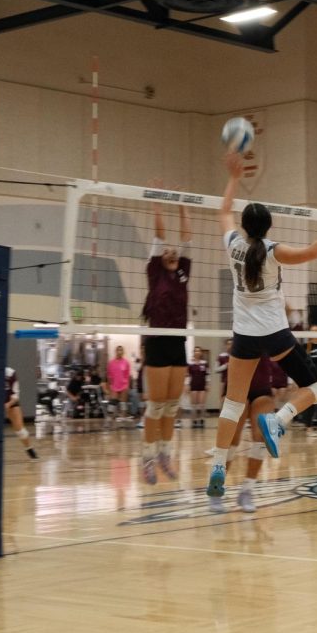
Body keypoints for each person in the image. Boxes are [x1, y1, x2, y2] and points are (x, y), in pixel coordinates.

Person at [207, 151, 317, 501]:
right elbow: (313, 252)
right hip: (274, 333)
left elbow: (223, 212)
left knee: (232, 404)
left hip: (244, 336)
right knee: (316, 388)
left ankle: (219, 467)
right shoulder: (273, 251)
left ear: (245, 226)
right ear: (268, 227)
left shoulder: (234, 246)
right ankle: (279, 419)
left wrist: (234, 177)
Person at [140, 202, 191, 484]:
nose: (171, 253)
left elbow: (187, 240)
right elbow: (160, 238)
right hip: (158, 340)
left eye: (174, 253)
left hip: (178, 342)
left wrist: (185, 208)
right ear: (160, 258)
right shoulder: (155, 273)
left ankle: (165, 454)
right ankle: (147, 458)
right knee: (156, 405)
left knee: (172, 405)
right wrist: (158, 208)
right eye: (167, 252)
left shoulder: (183, 273)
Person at [210, 355, 278, 514]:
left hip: (263, 387)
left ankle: (247, 490)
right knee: (231, 441)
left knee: (261, 439)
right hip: (238, 386)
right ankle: (215, 488)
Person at [4, 366, 38, 459]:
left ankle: (29, 449)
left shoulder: (10, 373)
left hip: (10, 401)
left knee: (20, 429)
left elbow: (15, 395)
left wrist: (8, 404)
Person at [106, 345, 132, 423]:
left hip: (124, 385)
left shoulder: (126, 362)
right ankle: (110, 417)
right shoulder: (111, 363)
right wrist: (109, 387)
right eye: (118, 350)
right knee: (113, 401)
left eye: (121, 350)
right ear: (116, 351)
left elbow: (128, 376)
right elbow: (109, 376)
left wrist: (127, 386)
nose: (119, 352)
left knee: (123, 402)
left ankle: (123, 417)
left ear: (123, 352)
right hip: (114, 385)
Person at [187, 346, 209, 429]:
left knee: (202, 404)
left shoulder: (204, 363)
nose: (197, 352)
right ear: (193, 353)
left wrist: (208, 384)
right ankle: (194, 421)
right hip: (193, 385)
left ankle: (202, 420)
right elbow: (187, 375)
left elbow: (207, 374)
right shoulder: (190, 364)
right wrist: (187, 385)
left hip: (202, 385)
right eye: (195, 351)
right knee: (194, 404)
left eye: (198, 351)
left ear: (201, 353)